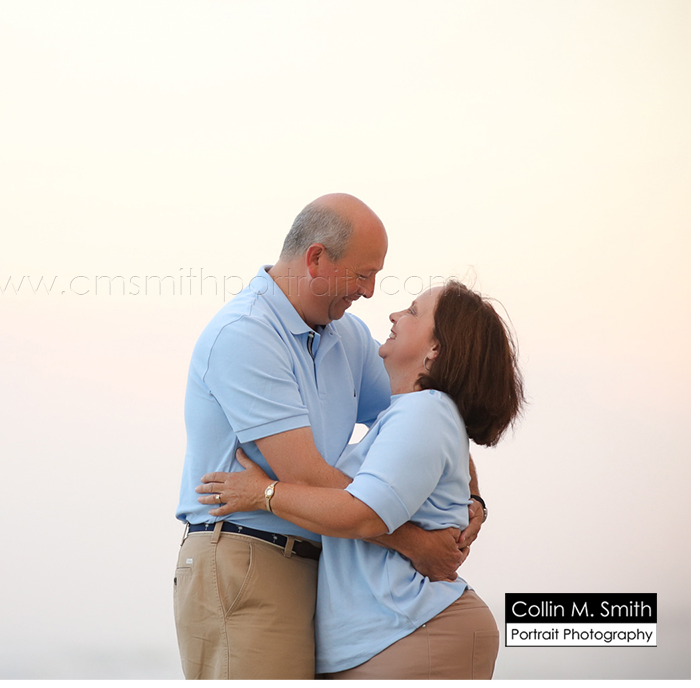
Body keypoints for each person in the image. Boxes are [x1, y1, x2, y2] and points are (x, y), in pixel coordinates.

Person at [174, 195, 486, 680]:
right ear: (317, 258)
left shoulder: (351, 339)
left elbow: (428, 416)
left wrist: (473, 497)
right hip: (249, 557)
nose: (369, 292)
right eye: (363, 274)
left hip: (317, 565)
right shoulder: (245, 334)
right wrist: (413, 542)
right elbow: (305, 476)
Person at [197, 281, 524, 679]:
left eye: (413, 312)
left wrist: (263, 493)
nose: (394, 315)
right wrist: (472, 500)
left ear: (435, 349)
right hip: (395, 635)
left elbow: (362, 513)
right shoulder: (414, 413)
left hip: (414, 630)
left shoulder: (426, 412)